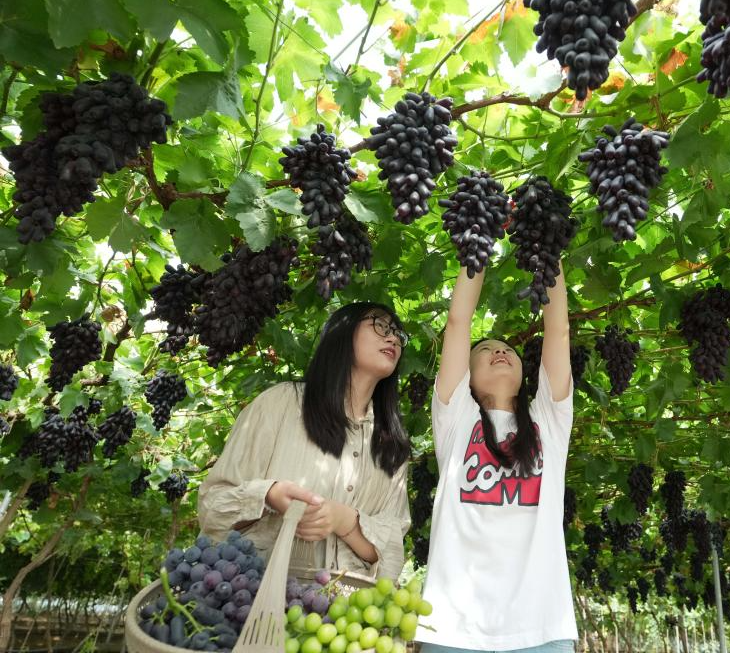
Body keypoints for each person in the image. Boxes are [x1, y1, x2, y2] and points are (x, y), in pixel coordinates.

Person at [417, 265, 577, 652]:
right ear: (466, 377)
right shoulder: (456, 419)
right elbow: (458, 322)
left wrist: (549, 250)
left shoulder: (549, 422)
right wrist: (478, 246)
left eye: (507, 350)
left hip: (541, 629)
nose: (500, 351)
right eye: (485, 350)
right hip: (452, 628)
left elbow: (558, 330)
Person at [198, 302, 412, 581]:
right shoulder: (280, 404)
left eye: (398, 333)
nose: (393, 338)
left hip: (344, 606)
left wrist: (346, 521)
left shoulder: (392, 445)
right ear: (342, 331)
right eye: (381, 326)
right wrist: (268, 495)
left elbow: (392, 557)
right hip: (254, 598)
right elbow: (212, 508)